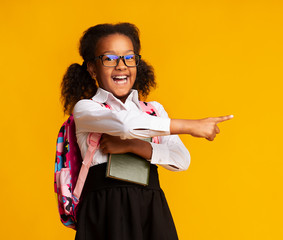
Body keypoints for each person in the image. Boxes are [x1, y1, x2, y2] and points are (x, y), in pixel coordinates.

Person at [60, 22, 232, 240]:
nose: (121, 65)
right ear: (92, 68)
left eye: (129, 57)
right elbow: (125, 125)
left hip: (151, 209)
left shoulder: (153, 110)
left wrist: (135, 146)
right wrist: (191, 125)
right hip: (106, 211)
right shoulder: (86, 109)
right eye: (109, 58)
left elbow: (181, 160)